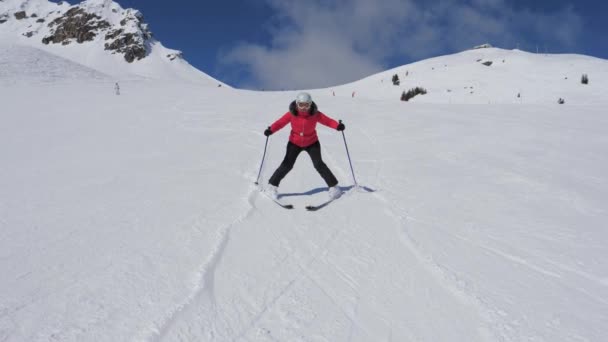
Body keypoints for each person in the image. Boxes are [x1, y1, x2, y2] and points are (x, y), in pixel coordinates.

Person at [264, 92, 345, 200]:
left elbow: (328, 121)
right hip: (294, 143)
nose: (303, 107)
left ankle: (334, 187)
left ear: (310, 104)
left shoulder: (315, 114)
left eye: (306, 105)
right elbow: (280, 123)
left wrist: (337, 126)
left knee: (319, 164)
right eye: (301, 104)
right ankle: (271, 186)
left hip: (312, 142)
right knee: (287, 164)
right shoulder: (291, 114)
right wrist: (271, 130)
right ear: (297, 104)